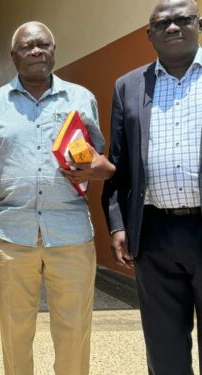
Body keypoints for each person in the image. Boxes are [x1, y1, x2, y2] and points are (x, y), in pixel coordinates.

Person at [0, 22, 115, 375]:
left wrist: (97, 168)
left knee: (74, 330)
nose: (36, 51)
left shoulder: (82, 99)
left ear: (53, 50)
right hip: (10, 236)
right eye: (27, 46)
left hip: (70, 233)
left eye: (43, 44)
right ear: (13, 56)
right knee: (15, 332)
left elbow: (97, 156)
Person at [102, 0, 202, 373]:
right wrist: (117, 224)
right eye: (163, 23)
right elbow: (119, 163)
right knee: (163, 346)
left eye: (182, 20)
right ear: (150, 34)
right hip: (153, 233)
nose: (173, 28)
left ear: (198, 23)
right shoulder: (128, 86)